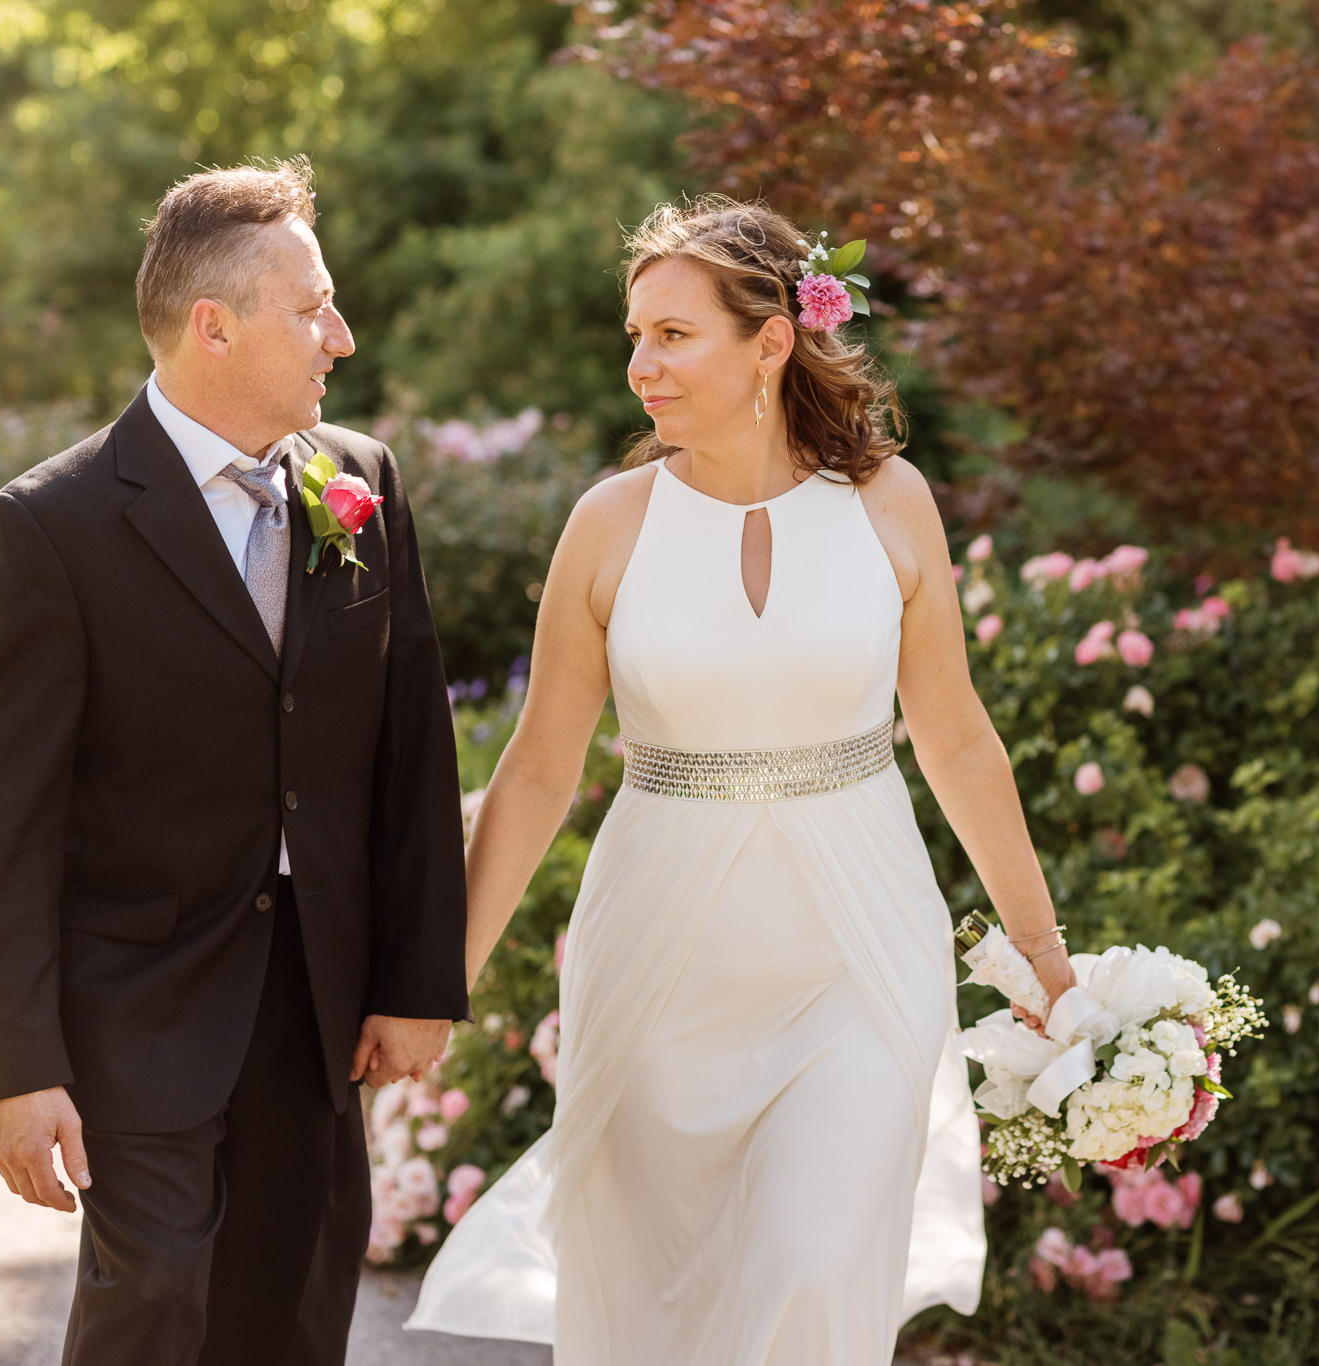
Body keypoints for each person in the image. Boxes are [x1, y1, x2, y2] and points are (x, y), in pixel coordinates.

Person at [407, 197, 1076, 1363]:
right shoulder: (608, 526)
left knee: (815, 1270)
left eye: (672, 335)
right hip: (661, 961)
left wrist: (1041, 950)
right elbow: (533, 776)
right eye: (633, 335)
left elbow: (957, 740)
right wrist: (438, 984)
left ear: (770, 342)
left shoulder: (889, 504)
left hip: (856, 955)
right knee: (657, 1308)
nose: (639, 366)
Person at [0, 157, 469, 1366]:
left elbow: (408, 753)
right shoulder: (50, 526)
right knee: (151, 1299)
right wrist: (18, 1069)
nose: (339, 334)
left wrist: (417, 975)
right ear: (212, 326)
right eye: (310, 307)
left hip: (319, 1001)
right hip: (139, 1003)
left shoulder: (363, 482)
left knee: (293, 1307)